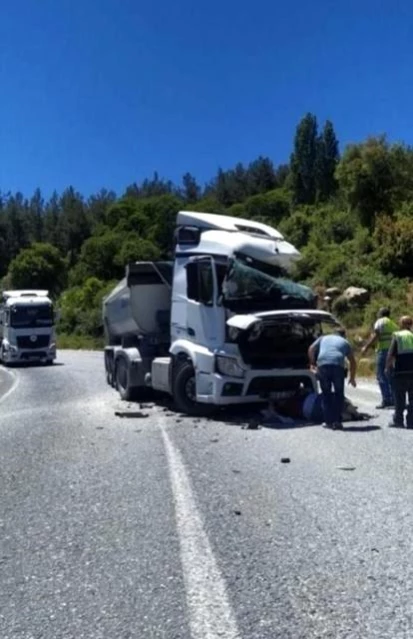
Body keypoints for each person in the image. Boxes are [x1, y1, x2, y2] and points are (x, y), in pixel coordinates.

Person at [308, 327, 357, 430]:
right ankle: (337, 421)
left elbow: (311, 349)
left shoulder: (323, 338)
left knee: (326, 394)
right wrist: (352, 378)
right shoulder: (345, 342)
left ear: (334, 333)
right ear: (344, 335)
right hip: (337, 366)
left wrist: (312, 363)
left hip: (323, 365)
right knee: (339, 394)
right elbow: (352, 362)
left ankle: (328, 422)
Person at [361, 307, 398, 408]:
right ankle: (394, 399)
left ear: (381, 314)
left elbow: (376, 336)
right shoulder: (393, 324)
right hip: (393, 352)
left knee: (381, 375)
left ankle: (386, 400)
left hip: (383, 351)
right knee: (390, 375)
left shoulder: (380, 321)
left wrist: (366, 347)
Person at [385, 316, 413, 429]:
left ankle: (398, 420)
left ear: (401, 325)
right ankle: (411, 421)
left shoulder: (398, 336)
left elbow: (391, 354)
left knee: (399, 398)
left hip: (400, 371)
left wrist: (387, 367)